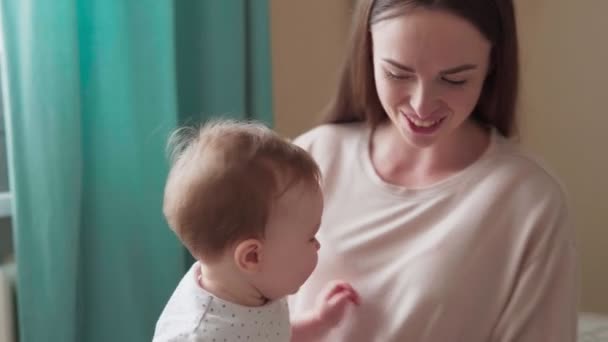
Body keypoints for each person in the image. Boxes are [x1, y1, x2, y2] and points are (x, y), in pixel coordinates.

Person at [288, 0, 579, 341]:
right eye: (398, 73)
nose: (421, 105)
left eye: (455, 80)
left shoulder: (528, 202)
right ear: (368, 50)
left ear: (492, 64)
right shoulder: (311, 159)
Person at [153, 120, 360, 342]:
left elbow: (272, 334)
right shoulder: (198, 335)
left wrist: (320, 321)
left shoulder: (254, 286)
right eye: (310, 236)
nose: (318, 245)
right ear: (252, 256)